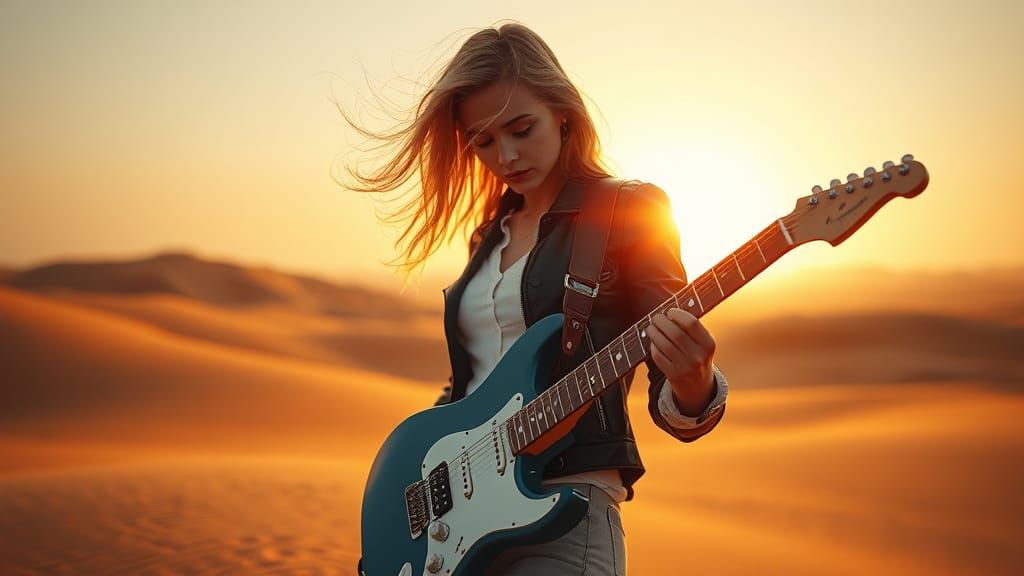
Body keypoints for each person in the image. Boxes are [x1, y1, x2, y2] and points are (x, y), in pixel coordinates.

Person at [343, 21, 728, 576]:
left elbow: (674, 385)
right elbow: (472, 387)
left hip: (565, 508)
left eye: (522, 129)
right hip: (459, 526)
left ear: (563, 112)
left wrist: (695, 384)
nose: (506, 155)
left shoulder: (628, 210)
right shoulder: (488, 234)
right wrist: (427, 475)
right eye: (483, 141)